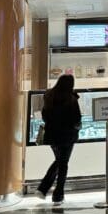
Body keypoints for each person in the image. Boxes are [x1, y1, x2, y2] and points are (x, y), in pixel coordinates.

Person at [37, 74, 81, 204]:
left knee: (60, 161)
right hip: (67, 136)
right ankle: (56, 193)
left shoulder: (49, 96)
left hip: (52, 135)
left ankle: (45, 189)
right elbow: (76, 118)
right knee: (62, 163)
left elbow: (44, 116)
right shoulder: (71, 99)